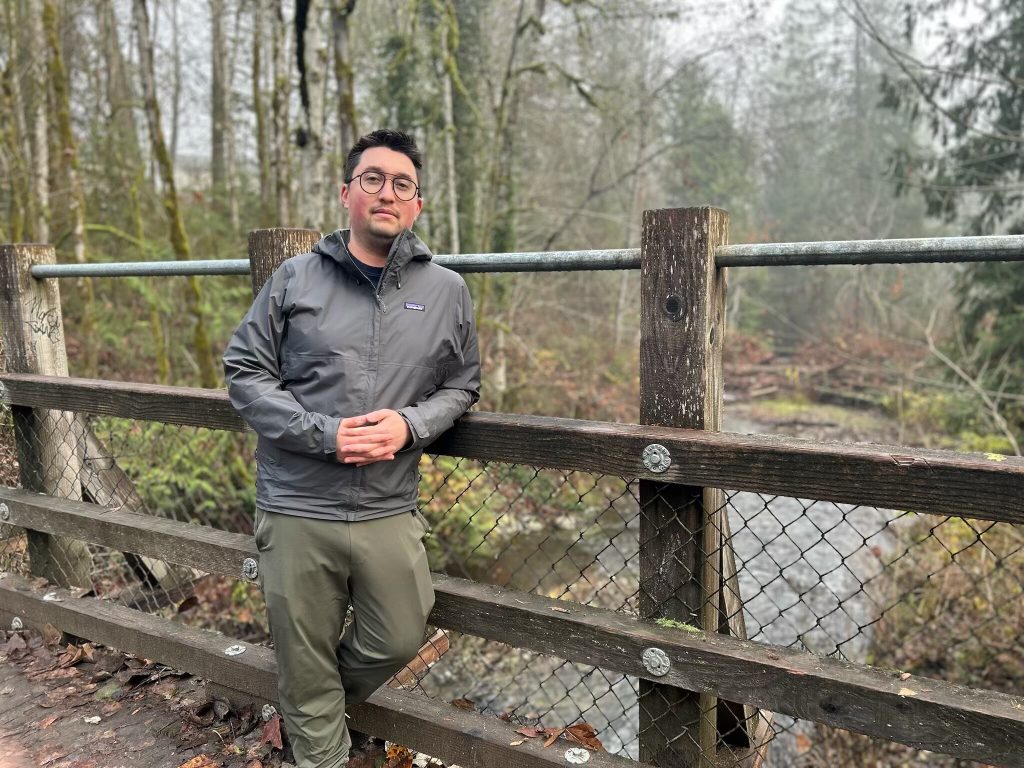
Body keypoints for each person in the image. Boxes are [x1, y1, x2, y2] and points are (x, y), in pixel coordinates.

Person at [223, 128, 480, 768]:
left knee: (397, 636)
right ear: (347, 193)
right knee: (304, 657)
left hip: (387, 504)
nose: (386, 193)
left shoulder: (447, 291)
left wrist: (411, 426)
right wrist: (327, 434)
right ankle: (322, 750)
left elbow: (463, 384)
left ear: (417, 204)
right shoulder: (294, 278)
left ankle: (310, 713)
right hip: (296, 502)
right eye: (373, 179)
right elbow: (245, 372)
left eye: (402, 184)